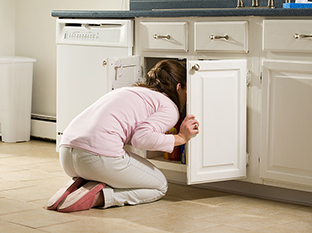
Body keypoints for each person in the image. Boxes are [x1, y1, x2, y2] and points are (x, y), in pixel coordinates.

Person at [46, 59, 199, 212]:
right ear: (179, 87)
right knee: (160, 186)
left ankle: (81, 185)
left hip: (66, 155)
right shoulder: (169, 106)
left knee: (115, 157)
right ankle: (98, 197)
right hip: (95, 159)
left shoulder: (128, 91)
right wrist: (181, 137)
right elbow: (141, 139)